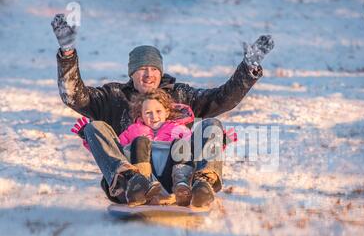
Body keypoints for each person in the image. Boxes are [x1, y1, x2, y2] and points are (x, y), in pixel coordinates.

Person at [51, 13, 274, 207]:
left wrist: (248, 68)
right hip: (133, 179)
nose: (149, 74)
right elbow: (74, 96)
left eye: (153, 69)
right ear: (131, 73)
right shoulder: (113, 97)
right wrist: (68, 55)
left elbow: (222, 99)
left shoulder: (179, 95)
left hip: (178, 177)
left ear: (161, 71)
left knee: (212, 126)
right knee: (94, 127)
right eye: (141, 69)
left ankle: (201, 184)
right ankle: (130, 181)